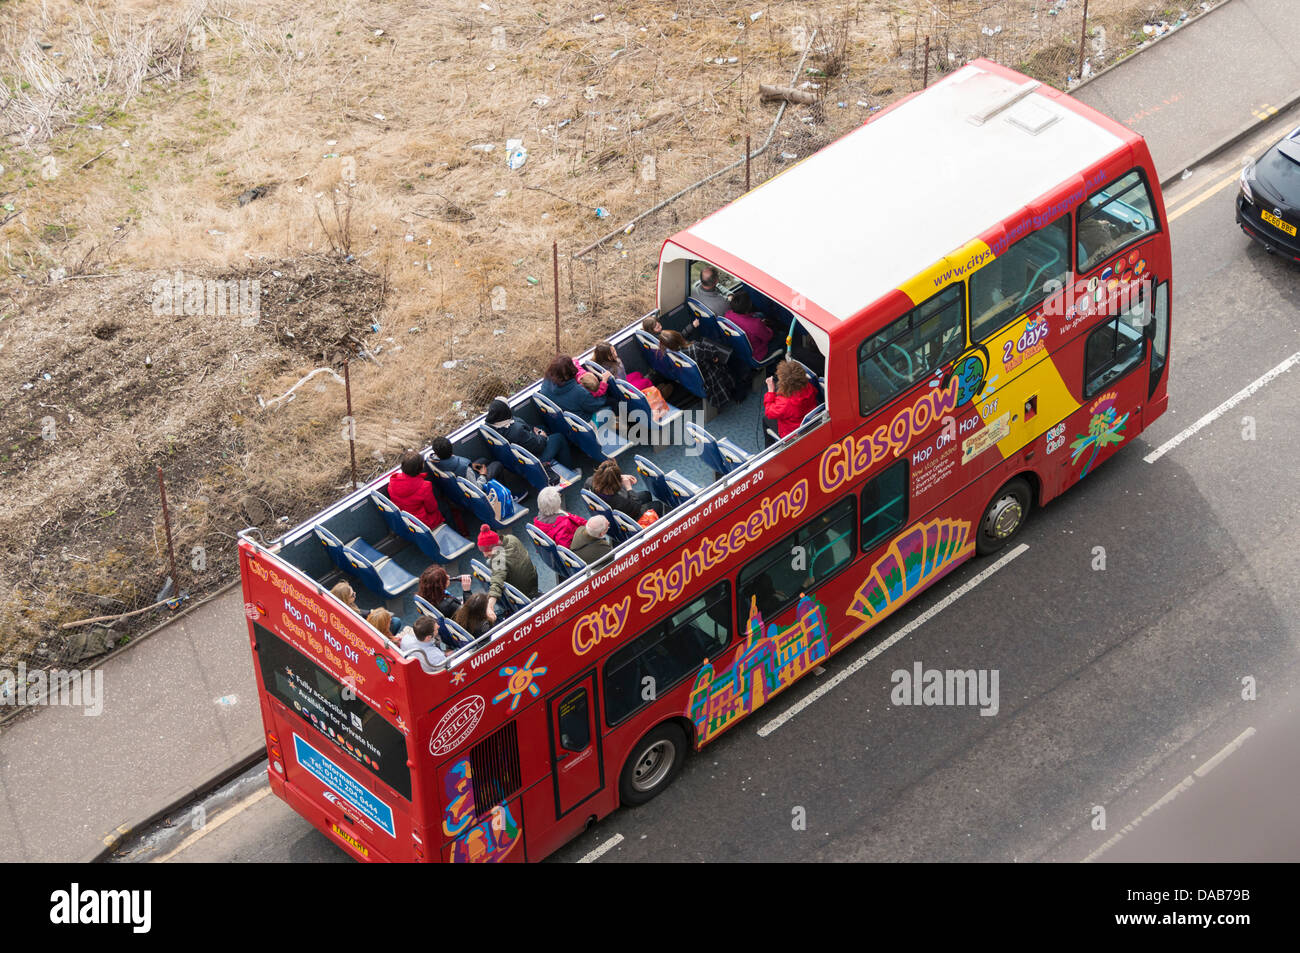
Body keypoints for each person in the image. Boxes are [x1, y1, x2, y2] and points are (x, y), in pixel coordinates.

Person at [484, 398, 572, 470]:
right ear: (505, 412)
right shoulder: (517, 431)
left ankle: (555, 455)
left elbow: (520, 426)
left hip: (517, 456)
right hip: (534, 458)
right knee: (559, 438)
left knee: (542, 427)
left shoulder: (492, 424)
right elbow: (538, 447)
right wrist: (542, 435)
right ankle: (569, 469)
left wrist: (532, 428)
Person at [659, 329, 737, 409]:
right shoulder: (694, 349)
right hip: (709, 376)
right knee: (723, 358)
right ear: (679, 337)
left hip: (693, 378)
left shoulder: (669, 353)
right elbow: (713, 353)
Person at [477, 525, 539, 623]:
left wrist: (490, 605)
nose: (484, 555)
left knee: (491, 565)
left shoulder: (499, 559)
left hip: (522, 593)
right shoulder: (511, 538)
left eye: (487, 551)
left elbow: (497, 582)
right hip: (532, 581)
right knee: (490, 562)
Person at [763, 360, 821, 441]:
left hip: (791, 434)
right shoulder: (809, 386)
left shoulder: (785, 403)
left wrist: (770, 391)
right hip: (810, 424)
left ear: (783, 383)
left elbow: (769, 412)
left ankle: (771, 448)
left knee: (765, 419)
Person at [540, 354, 609, 419]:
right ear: (572, 370)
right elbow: (597, 405)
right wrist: (603, 388)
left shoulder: (546, 381)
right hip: (585, 421)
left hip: (567, 421)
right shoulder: (579, 392)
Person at [388, 450, 445, 528]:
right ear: (421, 467)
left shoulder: (393, 481)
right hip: (424, 523)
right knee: (445, 507)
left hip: (406, 522)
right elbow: (432, 509)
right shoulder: (425, 487)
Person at [586, 459, 652, 520]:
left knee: (646, 494)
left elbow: (606, 478)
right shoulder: (621, 499)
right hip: (628, 516)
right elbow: (636, 507)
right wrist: (628, 488)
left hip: (609, 511)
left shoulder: (589, 482)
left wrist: (617, 477)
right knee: (658, 505)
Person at [725, 288, 775, 362]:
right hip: (758, 354)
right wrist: (766, 328)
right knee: (782, 336)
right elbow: (768, 337)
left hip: (740, 348)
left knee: (760, 315)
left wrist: (760, 325)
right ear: (749, 307)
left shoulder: (728, 315)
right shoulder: (756, 324)